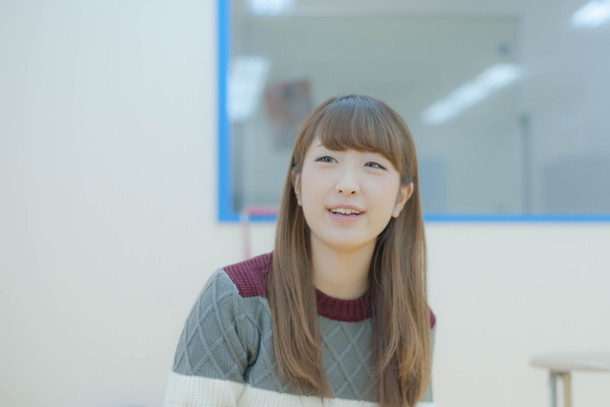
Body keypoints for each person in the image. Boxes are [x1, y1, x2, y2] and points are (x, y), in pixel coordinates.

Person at [164, 95, 436, 407]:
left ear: (402, 197)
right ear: (297, 185)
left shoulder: (414, 321)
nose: (348, 185)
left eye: (373, 164)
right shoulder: (235, 298)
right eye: (327, 159)